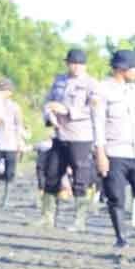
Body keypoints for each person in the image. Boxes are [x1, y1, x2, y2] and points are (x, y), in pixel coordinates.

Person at [93, 50, 135, 248]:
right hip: (114, 153)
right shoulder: (102, 90)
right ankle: (121, 238)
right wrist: (100, 153)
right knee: (116, 197)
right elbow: (97, 124)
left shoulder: (133, 91)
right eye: (134, 67)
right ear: (122, 68)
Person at [42, 48, 99, 231]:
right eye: (71, 63)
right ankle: (47, 217)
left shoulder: (91, 85)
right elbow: (48, 101)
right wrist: (49, 113)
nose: (74, 67)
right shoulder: (59, 80)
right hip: (60, 135)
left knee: (80, 178)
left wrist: (69, 111)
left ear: (84, 65)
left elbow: (94, 109)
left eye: (78, 64)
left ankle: (79, 220)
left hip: (80, 136)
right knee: (51, 173)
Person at [0, 78, 25, 211]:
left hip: (11, 144)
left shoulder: (15, 107)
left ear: (10, 92)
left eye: (4, 90)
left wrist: (20, 142)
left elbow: (19, 125)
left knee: (10, 173)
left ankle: (6, 200)